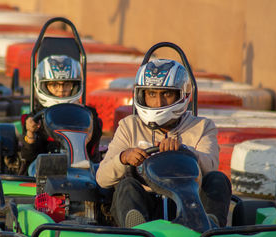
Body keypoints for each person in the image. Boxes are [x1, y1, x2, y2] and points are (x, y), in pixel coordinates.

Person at [96, 59, 232, 228]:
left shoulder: (202, 126)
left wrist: (185, 151)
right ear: (141, 95)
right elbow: (102, 179)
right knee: (126, 185)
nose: (159, 103)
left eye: (166, 94)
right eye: (152, 94)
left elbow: (210, 167)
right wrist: (123, 158)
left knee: (218, 179)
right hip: (146, 205)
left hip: (190, 205)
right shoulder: (129, 126)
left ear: (181, 95)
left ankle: (209, 230)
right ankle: (138, 234)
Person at [19, 55, 102, 175]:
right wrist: (30, 133)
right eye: (54, 85)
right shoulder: (34, 118)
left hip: (81, 166)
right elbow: (28, 157)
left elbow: (93, 154)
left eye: (66, 85)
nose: (61, 90)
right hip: (42, 169)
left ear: (75, 86)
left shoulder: (88, 114)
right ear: (43, 86)